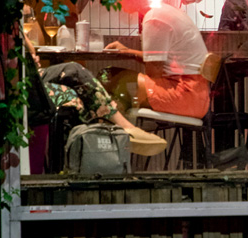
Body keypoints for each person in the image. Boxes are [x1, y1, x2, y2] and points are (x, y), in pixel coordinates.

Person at [23, 32, 166, 157]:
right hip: (26, 81)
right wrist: (29, 61)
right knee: (74, 70)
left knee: (74, 98)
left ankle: (83, 159)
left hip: (31, 79)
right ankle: (120, 129)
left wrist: (31, 57)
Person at [106, 0, 211, 120]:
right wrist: (129, 51)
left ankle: (123, 134)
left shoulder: (154, 18)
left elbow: (154, 73)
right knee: (119, 85)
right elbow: (159, 60)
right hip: (197, 97)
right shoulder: (167, 11)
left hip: (183, 95)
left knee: (108, 76)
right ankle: (125, 132)